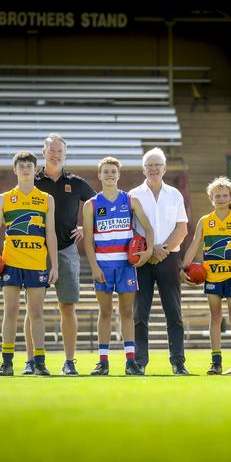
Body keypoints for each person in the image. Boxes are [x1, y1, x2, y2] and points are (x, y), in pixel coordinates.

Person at [21, 134, 96, 376]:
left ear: (66, 153)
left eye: (60, 151)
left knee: (68, 306)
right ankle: (31, 361)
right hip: (34, 252)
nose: (56, 154)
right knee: (34, 308)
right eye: (51, 150)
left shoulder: (76, 182)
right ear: (43, 153)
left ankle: (69, 362)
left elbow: (99, 206)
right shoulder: (33, 179)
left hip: (66, 250)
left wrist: (86, 226)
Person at [82, 157, 153, 376]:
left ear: (119, 175)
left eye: (114, 172)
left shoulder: (130, 201)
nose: (110, 175)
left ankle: (130, 361)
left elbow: (148, 229)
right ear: (99, 175)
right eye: (106, 172)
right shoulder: (91, 204)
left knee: (126, 313)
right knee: (105, 312)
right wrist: (94, 267)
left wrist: (148, 251)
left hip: (125, 266)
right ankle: (103, 362)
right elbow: (87, 240)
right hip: (103, 266)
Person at [181, 176, 231, 375]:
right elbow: (194, 245)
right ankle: (216, 361)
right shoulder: (205, 221)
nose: (221, 198)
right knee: (215, 315)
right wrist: (183, 268)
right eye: (217, 195)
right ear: (211, 198)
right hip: (211, 276)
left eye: (224, 195)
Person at [129, 148, 189, 375]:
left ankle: (178, 361)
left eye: (157, 165)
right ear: (143, 169)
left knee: (174, 312)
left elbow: (182, 228)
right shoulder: (133, 194)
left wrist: (161, 249)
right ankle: (140, 362)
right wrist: (148, 251)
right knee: (139, 314)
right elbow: (129, 229)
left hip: (169, 258)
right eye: (149, 165)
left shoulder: (175, 194)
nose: (153, 169)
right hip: (141, 259)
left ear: (164, 168)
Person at [0, 151, 58, 376]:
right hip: (12, 262)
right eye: (21, 165)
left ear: (36, 170)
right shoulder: (4, 199)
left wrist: (54, 265)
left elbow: (50, 233)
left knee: (36, 312)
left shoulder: (46, 199)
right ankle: (7, 362)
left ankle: (39, 362)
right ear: (15, 170)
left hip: (36, 263)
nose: (25, 168)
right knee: (10, 311)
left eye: (29, 165)